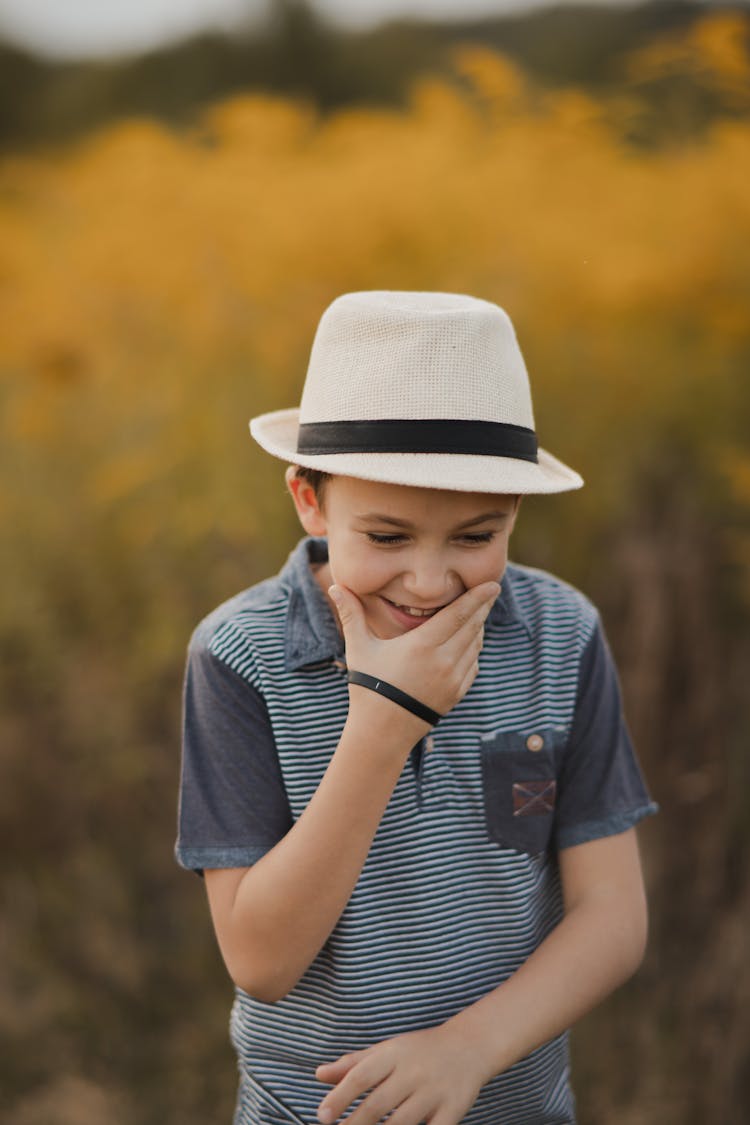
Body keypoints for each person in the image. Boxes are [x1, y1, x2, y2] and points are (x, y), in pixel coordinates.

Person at [175, 290, 658, 1125]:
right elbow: (261, 959)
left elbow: (612, 915)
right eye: (388, 537)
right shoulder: (239, 655)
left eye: (477, 536)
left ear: (517, 512)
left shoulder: (561, 633)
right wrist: (386, 721)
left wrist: (469, 1046)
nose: (430, 583)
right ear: (311, 501)